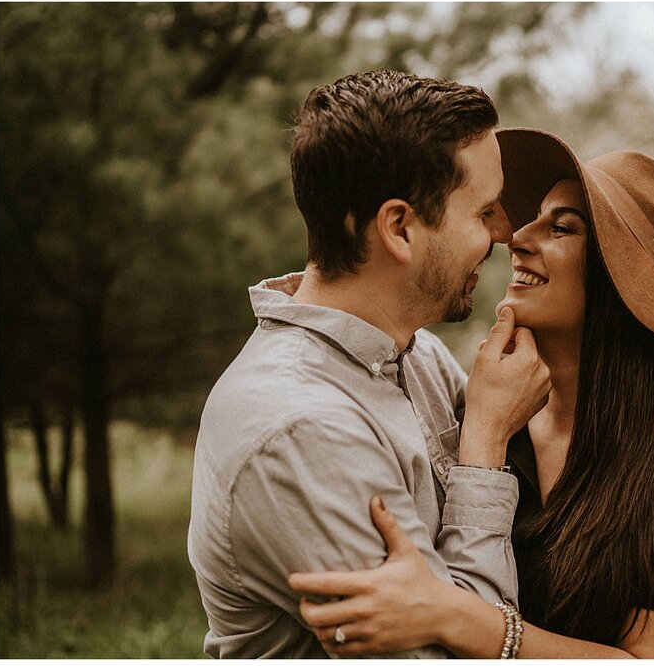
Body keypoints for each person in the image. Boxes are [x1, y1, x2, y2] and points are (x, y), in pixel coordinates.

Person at [289, 128, 654, 658]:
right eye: (534, 215)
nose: (515, 236)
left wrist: (458, 617)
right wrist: (487, 436)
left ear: (620, 282)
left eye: (562, 228)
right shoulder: (474, 409)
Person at [187, 73, 551, 658]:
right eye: (485, 211)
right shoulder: (301, 431)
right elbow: (448, 658)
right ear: (400, 228)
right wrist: (483, 442)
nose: (505, 232)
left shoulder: (419, 356)